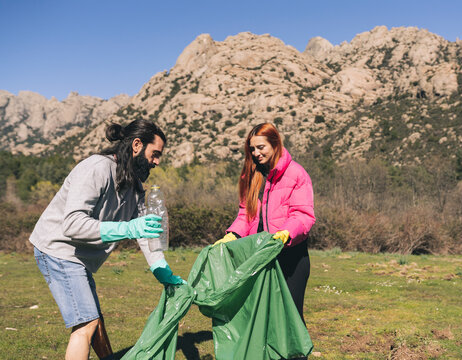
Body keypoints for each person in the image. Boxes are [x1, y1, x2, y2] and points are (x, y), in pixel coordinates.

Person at [30, 120, 186, 360]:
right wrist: (127, 228)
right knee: (86, 324)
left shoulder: (135, 186)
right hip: (58, 249)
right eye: (155, 154)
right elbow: (72, 224)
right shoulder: (97, 168)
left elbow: (145, 234)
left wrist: (161, 269)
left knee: (94, 320)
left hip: (78, 257)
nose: (157, 162)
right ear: (136, 145)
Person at [214, 122, 316, 326]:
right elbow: (246, 214)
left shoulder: (296, 174)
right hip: (259, 255)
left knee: (290, 319)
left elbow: (303, 214)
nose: (256, 153)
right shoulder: (250, 175)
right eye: (252, 148)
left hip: (291, 256)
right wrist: (233, 234)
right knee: (262, 318)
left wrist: (287, 232)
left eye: (261, 147)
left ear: (275, 144)